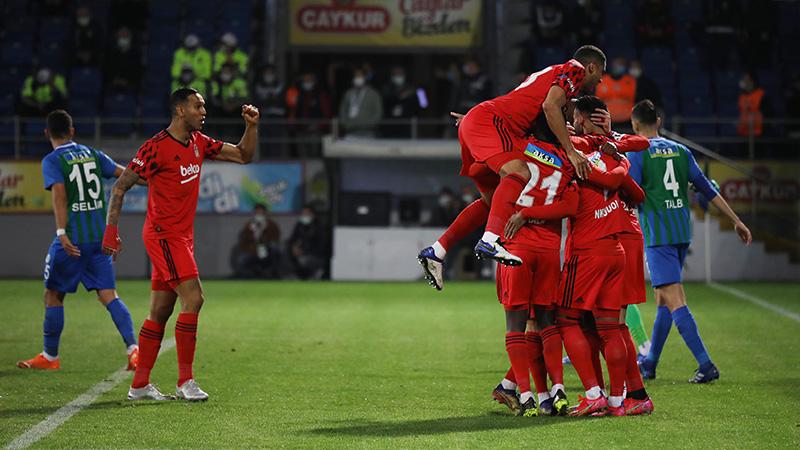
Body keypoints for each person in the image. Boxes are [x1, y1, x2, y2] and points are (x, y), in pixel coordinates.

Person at [102, 88, 259, 401]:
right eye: (198, 106)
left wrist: (251, 126)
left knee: (161, 310)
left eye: (203, 106)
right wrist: (111, 232)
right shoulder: (155, 148)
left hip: (181, 237)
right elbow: (120, 188)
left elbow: (243, 155)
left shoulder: (200, 143)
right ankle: (185, 381)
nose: (204, 111)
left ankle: (140, 385)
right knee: (195, 298)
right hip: (163, 235)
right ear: (179, 110)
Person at [418, 45, 603, 271]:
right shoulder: (575, 69)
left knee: (492, 202)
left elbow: (528, 105)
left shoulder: (550, 77)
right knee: (519, 172)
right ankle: (489, 241)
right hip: (493, 124)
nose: (599, 82)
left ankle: (437, 251)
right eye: (600, 75)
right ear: (591, 67)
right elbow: (549, 106)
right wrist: (572, 152)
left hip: (480, 122)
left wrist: (473, 119)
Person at [628, 99, 752, 383]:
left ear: (635, 125)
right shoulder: (682, 151)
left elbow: (630, 193)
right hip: (681, 233)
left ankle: (705, 364)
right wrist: (736, 220)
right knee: (663, 300)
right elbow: (707, 189)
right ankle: (650, 363)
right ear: (658, 121)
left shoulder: (638, 153)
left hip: (658, 236)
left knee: (674, 299)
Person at [17, 110, 140, 371]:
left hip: (72, 240)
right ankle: (134, 350)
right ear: (72, 131)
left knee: (53, 295)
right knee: (109, 295)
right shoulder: (93, 154)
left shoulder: (52, 160)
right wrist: (159, 179)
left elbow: (59, 195)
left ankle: (50, 357)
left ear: (47, 133)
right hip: (99, 239)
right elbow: (127, 174)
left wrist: (61, 232)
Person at [232, 204, 282, 278]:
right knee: (242, 259)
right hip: (251, 250)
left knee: (269, 254)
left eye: (261, 212)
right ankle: (249, 275)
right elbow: (243, 241)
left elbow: (276, 239)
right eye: (257, 212)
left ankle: (268, 275)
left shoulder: (271, 225)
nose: (259, 214)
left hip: (267, 250)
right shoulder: (248, 225)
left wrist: (266, 244)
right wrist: (251, 248)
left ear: (265, 213)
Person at [290, 72, 331, 157]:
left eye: (309, 79)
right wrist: (294, 125)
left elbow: (326, 112)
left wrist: (322, 126)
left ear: (314, 81)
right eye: (305, 79)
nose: (307, 82)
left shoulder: (320, 94)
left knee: (315, 153)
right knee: (302, 153)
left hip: (315, 129)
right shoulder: (297, 93)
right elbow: (292, 110)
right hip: (300, 128)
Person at [338, 68, 383, 138]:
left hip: (368, 132)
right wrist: (345, 124)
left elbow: (378, 112)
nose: (358, 78)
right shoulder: (348, 93)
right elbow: (343, 110)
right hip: (350, 132)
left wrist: (368, 125)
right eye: (356, 76)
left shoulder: (373, 94)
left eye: (360, 76)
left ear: (365, 78)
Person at [381, 66, 424, 138]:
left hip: (408, 125)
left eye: (400, 74)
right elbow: (385, 102)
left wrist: (416, 93)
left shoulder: (416, 88)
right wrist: (400, 97)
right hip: (390, 126)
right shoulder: (386, 88)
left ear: (405, 75)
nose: (398, 76)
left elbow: (424, 104)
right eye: (395, 74)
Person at [596, 57, 637, 130]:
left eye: (622, 64)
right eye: (618, 64)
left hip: (627, 123)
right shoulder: (601, 80)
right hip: (606, 122)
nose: (620, 66)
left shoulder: (631, 81)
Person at [288, 206, 327, 280]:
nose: (304, 215)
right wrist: (294, 247)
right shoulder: (299, 225)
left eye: (307, 213)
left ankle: (316, 273)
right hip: (300, 253)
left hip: (314, 255)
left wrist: (303, 251)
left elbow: (320, 246)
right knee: (288, 253)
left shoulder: (319, 227)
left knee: (304, 260)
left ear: (313, 215)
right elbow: (292, 239)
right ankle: (296, 275)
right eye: (303, 214)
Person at [104, 27, 143, 94]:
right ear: (117, 38)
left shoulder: (136, 54)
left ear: (130, 38)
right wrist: (114, 80)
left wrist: (127, 81)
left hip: (130, 85)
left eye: (125, 36)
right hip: (113, 84)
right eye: (121, 36)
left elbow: (137, 72)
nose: (123, 38)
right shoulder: (111, 54)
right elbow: (107, 69)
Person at [736, 72, 767, 138]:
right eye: (743, 80)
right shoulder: (742, 96)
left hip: (757, 134)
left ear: (752, 82)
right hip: (743, 134)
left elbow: (767, 114)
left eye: (746, 80)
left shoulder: (761, 95)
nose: (744, 82)